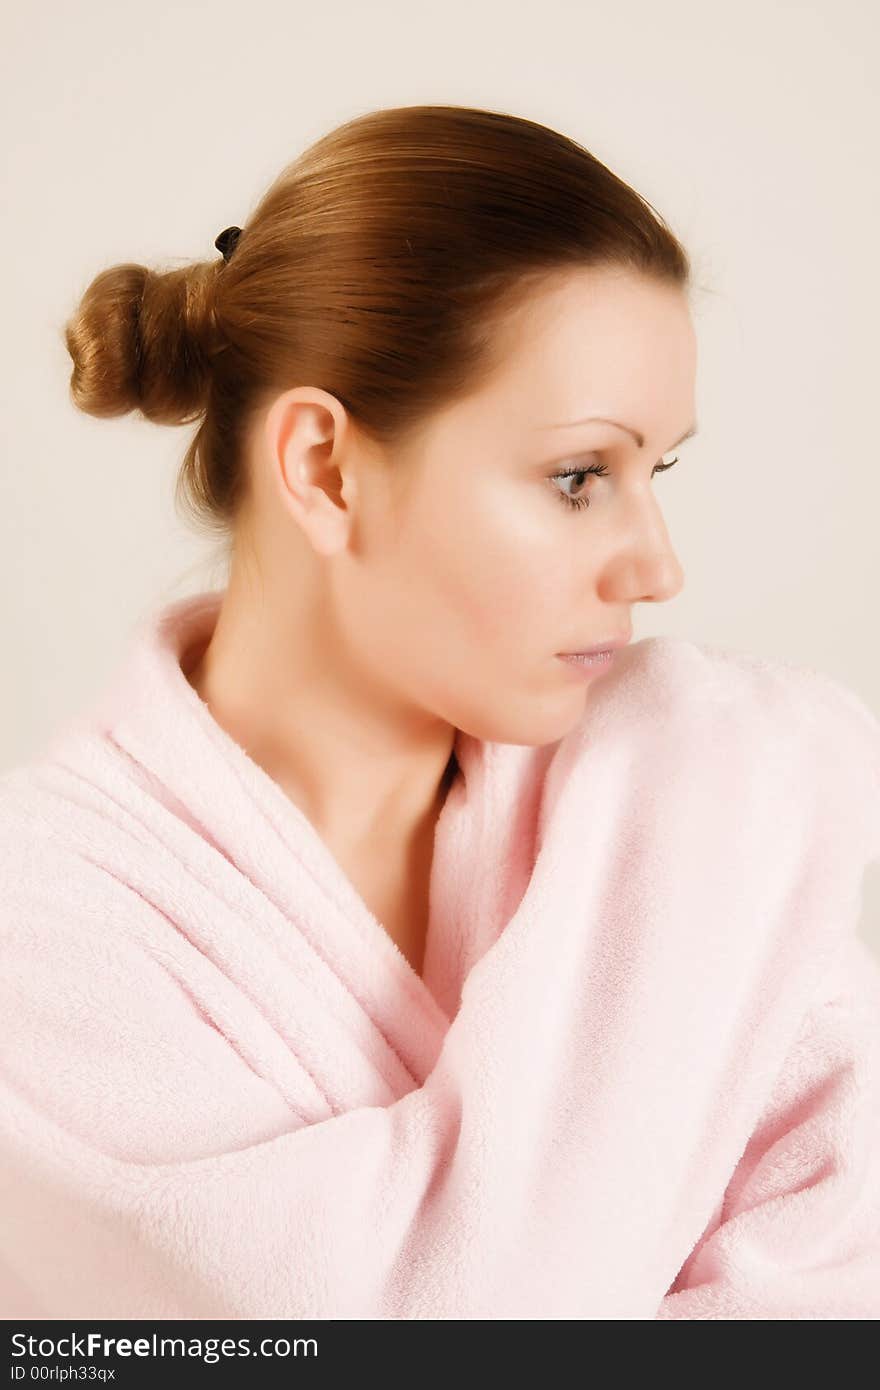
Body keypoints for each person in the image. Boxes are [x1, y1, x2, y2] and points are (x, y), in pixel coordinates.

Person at [1, 103, 878, 1320]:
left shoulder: (707, 802)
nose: (655, 567)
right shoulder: (42, 919)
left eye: (655, 473)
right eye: (579, 477)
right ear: (324, 468)